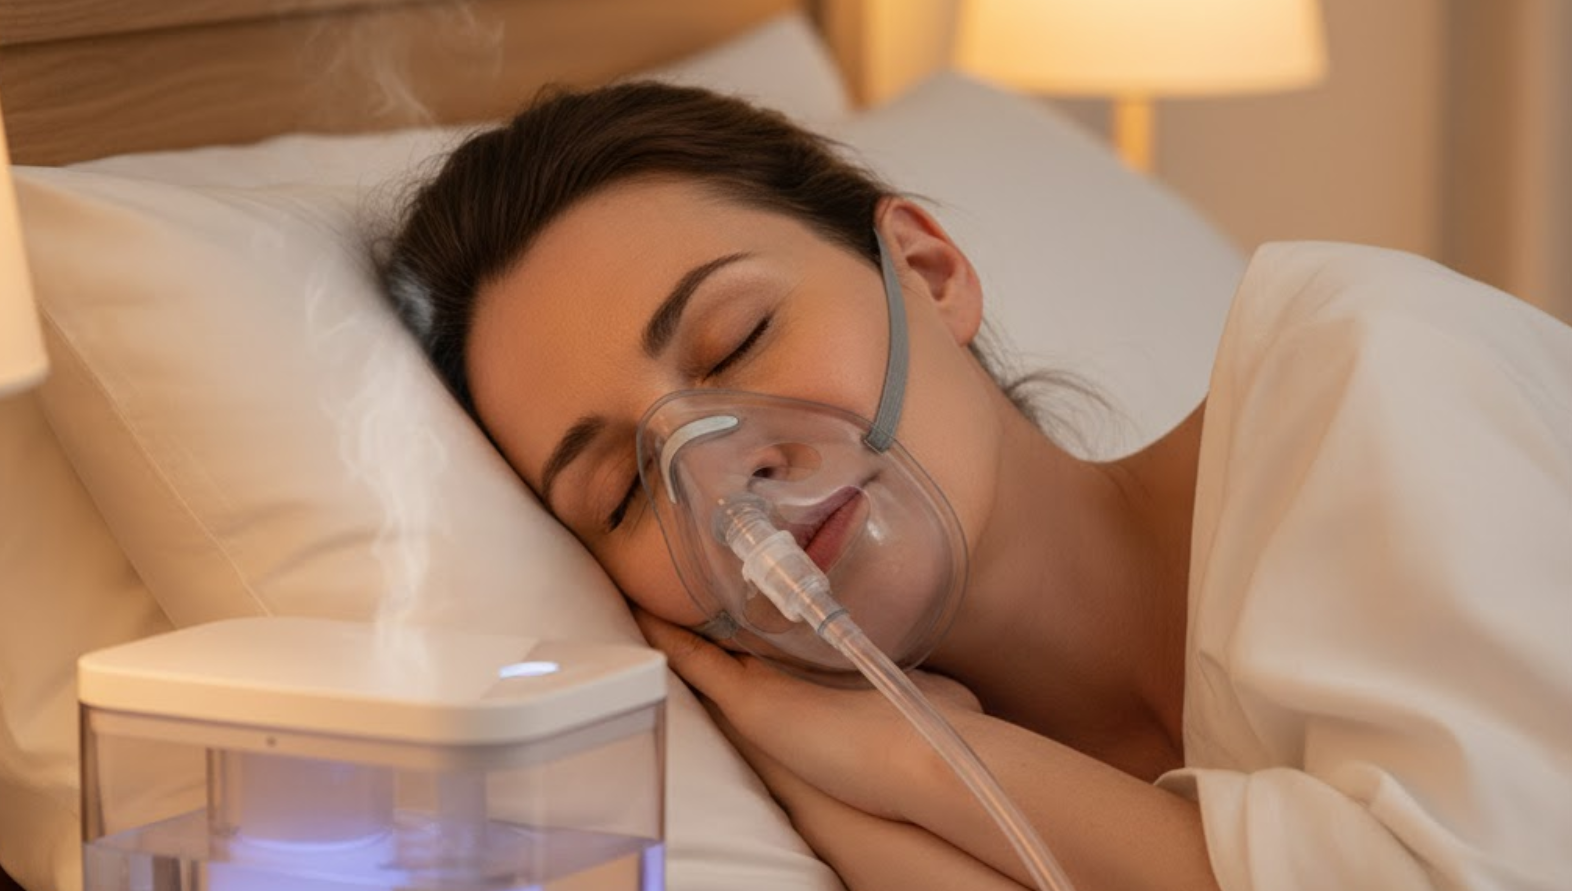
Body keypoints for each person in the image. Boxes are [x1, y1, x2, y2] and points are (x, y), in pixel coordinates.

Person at [381, 81, 1572, 891]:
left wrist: (928, 767)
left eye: (739, 339)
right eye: (622, 493)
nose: (717, 468)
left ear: (929, 271)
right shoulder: (829, 811)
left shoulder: (1367, 374)